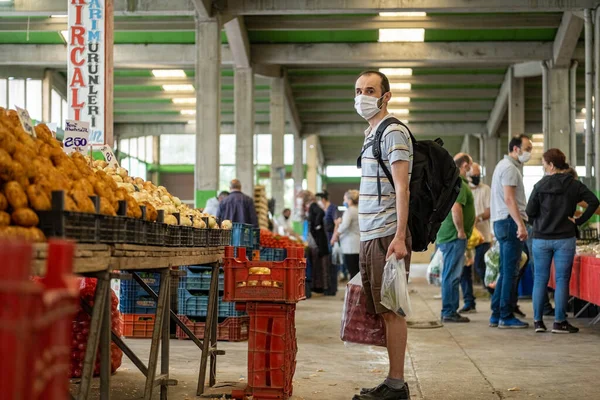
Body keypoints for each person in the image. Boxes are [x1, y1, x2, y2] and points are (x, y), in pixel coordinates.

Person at [354, 70, 413, 400]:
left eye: (370, 90)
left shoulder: (392, 132)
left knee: (393, 309)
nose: (362, 96)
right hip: (370, 235)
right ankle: (392, 379)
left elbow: (402, 186)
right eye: (359, 90)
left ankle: (396, 384)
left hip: (387, 234)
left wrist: (400, 236)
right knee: (383, 308)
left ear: (385, 96)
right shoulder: (371, 133)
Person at [526, 149, 599, 334]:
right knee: (561, 279)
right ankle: (559, 322)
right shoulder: (574, 185)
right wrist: (580, 221)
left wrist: (539, 223)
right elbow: (594, 201)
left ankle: (538, 322)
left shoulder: (539, 185)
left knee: (540, 279)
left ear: (550, 165)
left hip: (541, 238)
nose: (544, 167)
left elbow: (529, 211)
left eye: (544, 164)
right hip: (565, 238)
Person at [489, 135, 532, 329]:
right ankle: (505, 315)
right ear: (516, 149)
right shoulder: (509, 169)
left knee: (506, 271)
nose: (530, 152)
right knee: (510, 272)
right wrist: (520, 225)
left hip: (502, 222)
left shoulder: (503, 166)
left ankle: (497, 313)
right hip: (509, 222)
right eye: (527, 148)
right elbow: (509, 199)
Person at [436, 153, 475, 323]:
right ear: (465, 165)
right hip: (454, 236)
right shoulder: (458, 183)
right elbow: (456, 208)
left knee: (450, 274)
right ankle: (449, 311)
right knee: (452, 275)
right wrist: (461, 230)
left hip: (449, 236)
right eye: (471, 165)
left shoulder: (452, 182)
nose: (472, 169)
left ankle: (449, 310)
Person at [457, 162, 491, 313]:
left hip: (483, 236)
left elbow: (489, 211)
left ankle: (495, 295)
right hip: (467, 236)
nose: (476, 178)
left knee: (481, 266)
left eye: (478, 175)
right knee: (465, 269)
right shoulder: (462, 189)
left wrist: (476, 218)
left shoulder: (485, 190)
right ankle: (469, 302)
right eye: (473, 176)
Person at [299, 190, 332, 294]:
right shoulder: (311, 207)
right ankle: (319, 287)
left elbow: (320, 213)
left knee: (319, 266)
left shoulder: (313, 206)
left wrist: (317, 226)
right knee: (317, 266)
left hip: (317, 242)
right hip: (316, 241)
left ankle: (321, 287)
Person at [331, 190, 360, 279]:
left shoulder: (349, 211)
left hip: (350, 246)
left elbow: (344, 225)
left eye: (345, 200)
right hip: (357, 245)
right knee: (356, 271)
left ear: (350, 200)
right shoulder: (358, 210)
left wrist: (335, 235)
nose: (344, 202)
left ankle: (354, 292)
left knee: (352, 271)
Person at [316, 191, 339, 296]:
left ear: (323, 200)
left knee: (332, 265)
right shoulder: (323, 210)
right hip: (324, 240)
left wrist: (334, 237)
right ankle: (327, 287)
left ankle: (332, 288)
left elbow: (337, 223)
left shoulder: (332, 208)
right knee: (326, 265)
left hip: (330, 239)